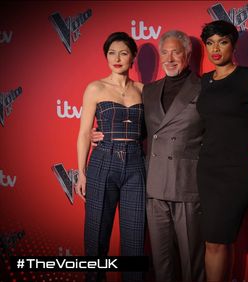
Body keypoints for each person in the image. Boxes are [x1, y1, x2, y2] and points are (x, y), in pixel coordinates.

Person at [91, 30, 205, 282]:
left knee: (190, 261)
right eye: (165, 52)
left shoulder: (203, 87)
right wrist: (99, 133)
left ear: (187, 54)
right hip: (153, 184)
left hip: (185, 184)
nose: (170, 58)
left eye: (176, 51)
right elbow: (141, 130)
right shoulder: (150, 90)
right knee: (160, 262)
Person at [75, 31, 145, 282]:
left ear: (133, 57)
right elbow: (84, 133)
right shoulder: (95, 87)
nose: (117, 58)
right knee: (96, 236)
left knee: (135, 239)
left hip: (136, 164)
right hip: (103, 161)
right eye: (111, 53)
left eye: (123, 53)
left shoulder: (143, 90)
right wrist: (81, 173)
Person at [196, 20, 248, 281]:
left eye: (222, 42)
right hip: (208, 168)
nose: (215, 48)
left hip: (237, 171)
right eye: (210, 42)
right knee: (215, 241)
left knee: (218, 239)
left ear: (233, 45)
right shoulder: (203, 81)